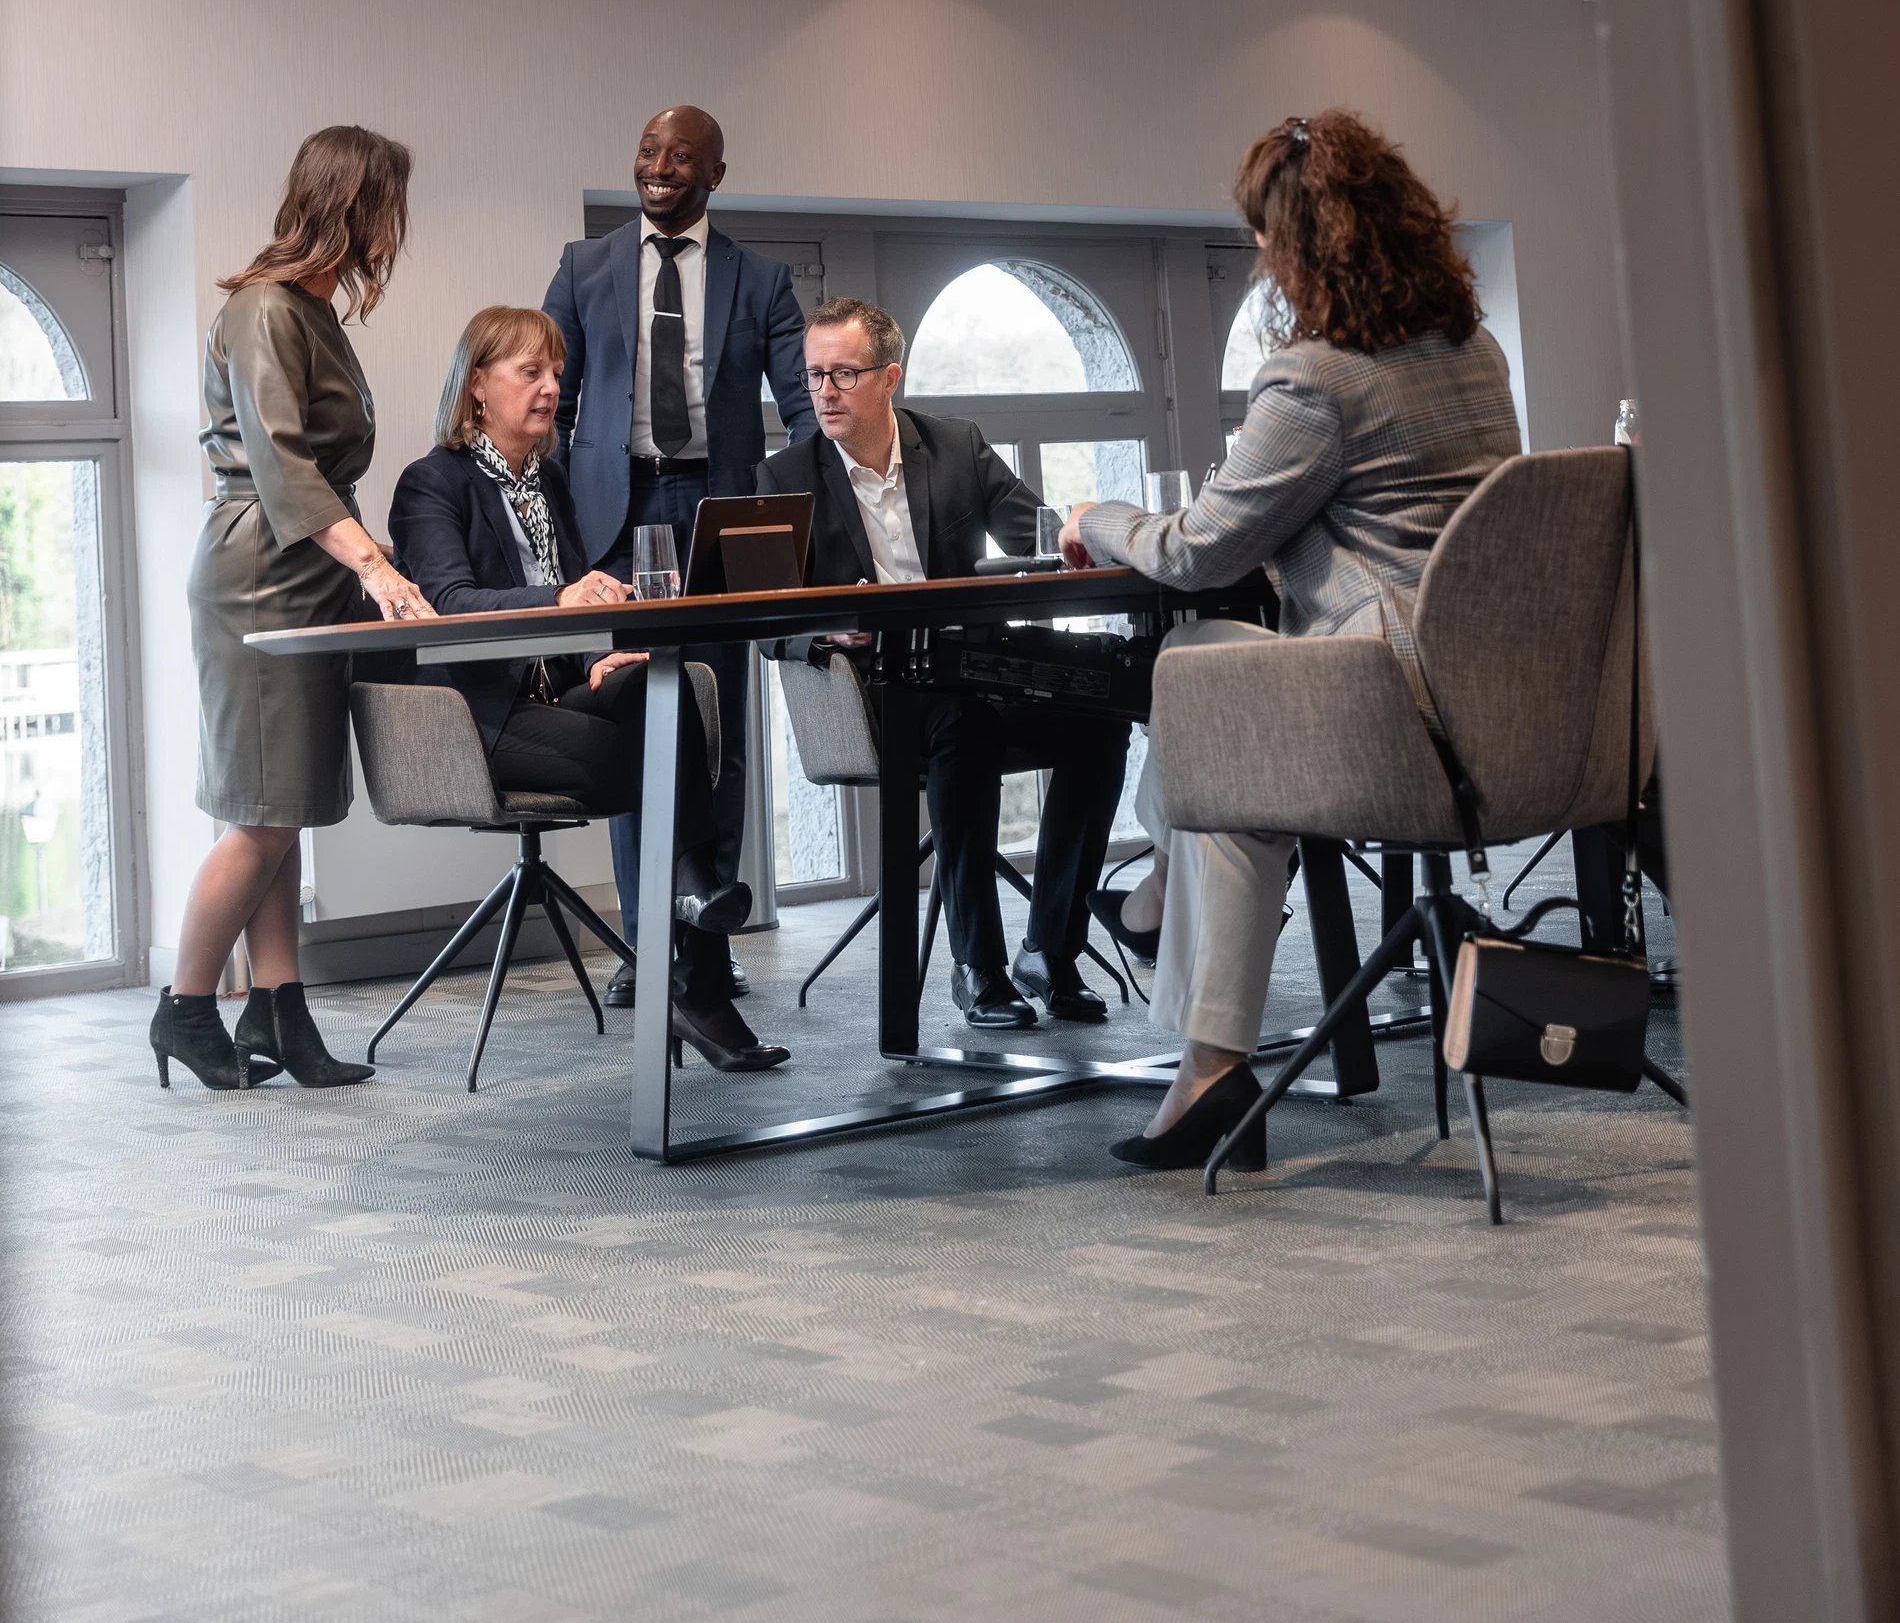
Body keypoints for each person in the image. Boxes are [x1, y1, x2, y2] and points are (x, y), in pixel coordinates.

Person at [1061, 110, 1521, 1169]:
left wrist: (1098, 519)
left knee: (1198, 679)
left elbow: (1197, 552)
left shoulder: (1316, 378)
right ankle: (1193, 1036)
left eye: (1265, 238)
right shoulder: (1475, 352)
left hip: (1395, 715)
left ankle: (1176, 962)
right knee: (1228, 736)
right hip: (1498, 705)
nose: (1261, 259)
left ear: (1300, 247)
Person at [388, 307, 788, 1070]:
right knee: (647, 751)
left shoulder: (552, 481)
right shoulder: (431, 484)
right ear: (477, 385)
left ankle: (692, 935)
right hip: (480, 717)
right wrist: (562, 601)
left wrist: (599, 658)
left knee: (661, 688)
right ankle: (697, 952)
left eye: (555, 373)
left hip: (556, 695)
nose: (551, 388)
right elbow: (449, 602)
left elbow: (576, 614)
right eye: (529, 372)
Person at [154, 124, 438, 1093]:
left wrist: (372, 560)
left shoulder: (314, 312)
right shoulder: (265, 308)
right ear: (351, 205)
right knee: (262, 814)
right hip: (260, 572)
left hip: (307, 567)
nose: (392, 227)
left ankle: (281, 1012)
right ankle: (187, 1007)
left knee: (283, 805)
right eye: (385, 205)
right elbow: (282, 466)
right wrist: (377, 569)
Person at [758, 297, 1132, 1028]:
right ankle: (976, 969)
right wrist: (832, 635)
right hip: (872, 689)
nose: (825, 392)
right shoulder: (783, 478)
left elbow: (1040, 534)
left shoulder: (956, 447)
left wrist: (1104, 538)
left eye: (843, 373)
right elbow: (767, 625)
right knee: (963, 723)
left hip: (974, 666)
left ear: (889, 377)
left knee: (1099, 716)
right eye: (813, 377)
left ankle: (1052, 949)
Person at [543, 106, 818, 999]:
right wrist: (551, 525)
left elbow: (803, 406)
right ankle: (645, 944)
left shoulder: (763, 278)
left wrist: (835, 497)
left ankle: (707, 941)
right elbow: (554, 404)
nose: (659, 168)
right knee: (636, 719)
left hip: (723, 511)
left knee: (717, 728)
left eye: (681, 157)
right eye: (648, 152)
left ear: (716, 174)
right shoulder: (584, 266)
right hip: (614, 516)